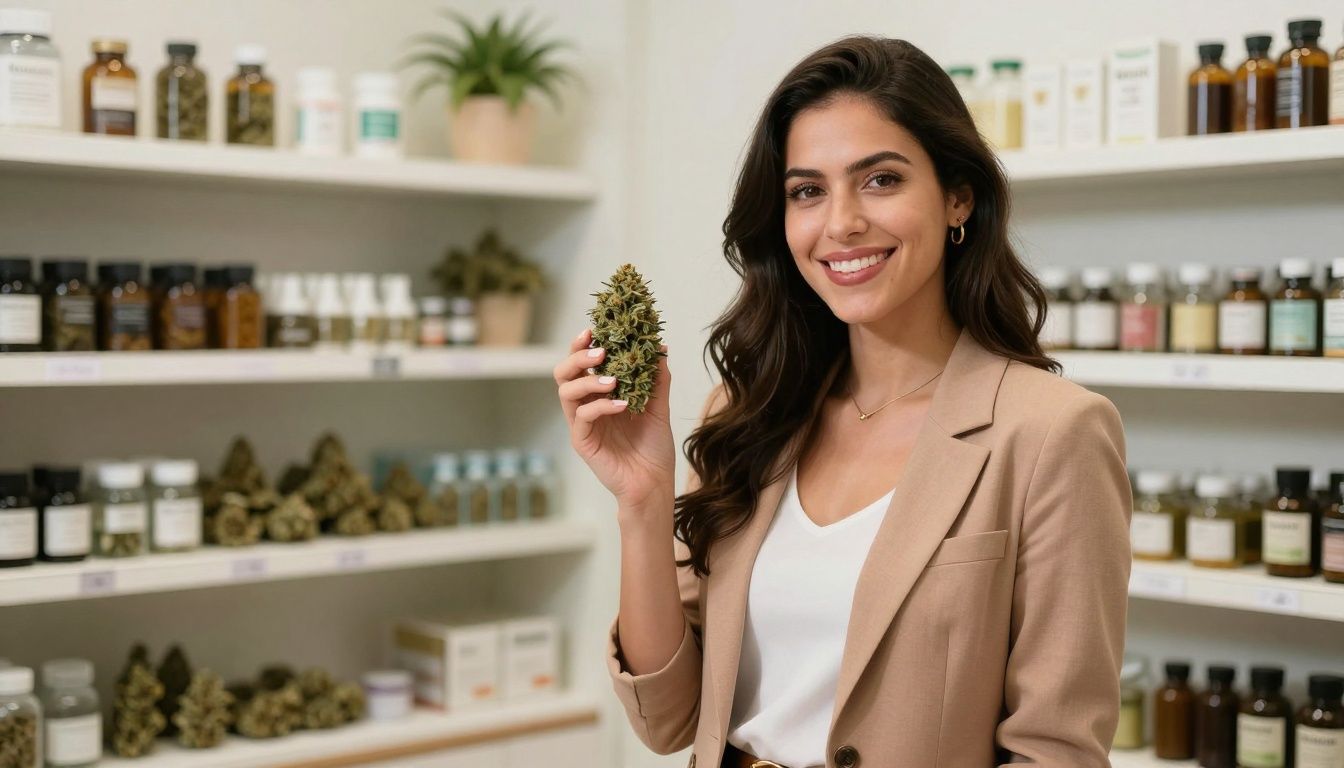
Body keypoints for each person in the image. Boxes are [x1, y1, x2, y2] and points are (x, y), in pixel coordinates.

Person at [554, 36, 1130, 768]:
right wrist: (642, 501)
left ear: (958, 197)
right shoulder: (750, 410)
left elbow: (1057, 752)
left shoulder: (1054, 432)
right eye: (807, 191)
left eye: (881, 180)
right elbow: (669, 720)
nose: (841, 223)